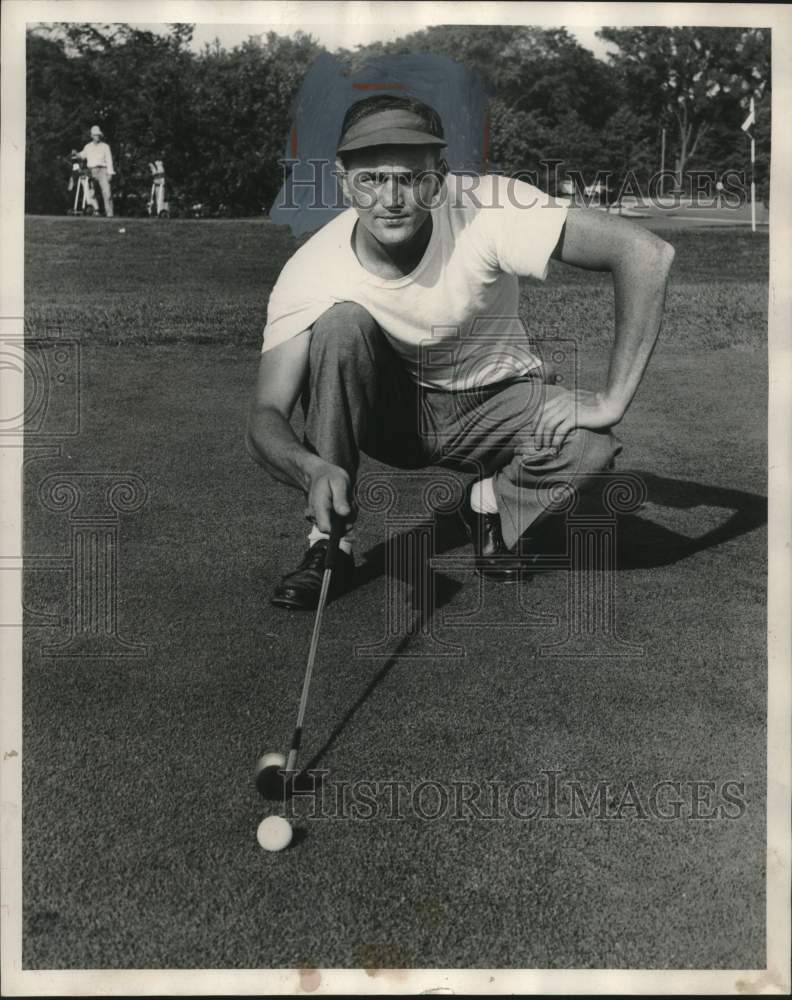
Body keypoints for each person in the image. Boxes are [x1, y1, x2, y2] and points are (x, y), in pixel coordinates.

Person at [247, 94, 675, 610]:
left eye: (412, 178)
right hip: (398, 418)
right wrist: (310, 469)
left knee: (591, 447)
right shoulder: (312, 270)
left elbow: (645, 254)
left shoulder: (488, 207)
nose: (392, 198)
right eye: (371, 179)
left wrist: (612, 398)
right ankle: (329, 543)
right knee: (342, 325)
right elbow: (267, 414)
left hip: (498, 403)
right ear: (342, 178)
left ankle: (488, 501)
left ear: (442, 175)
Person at [78, 125, 115, 217]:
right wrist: (76, 154)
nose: (96, 137)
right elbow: (82, 155)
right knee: (91, 192)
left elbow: (109, 160)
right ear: (91, 136)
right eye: (95, 135)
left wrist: (110, 173)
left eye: (98, 135)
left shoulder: (105, 146)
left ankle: (110, 214)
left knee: (107, 192)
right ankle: (96, 211)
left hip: (103, 170)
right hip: (91, 171)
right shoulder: (87, 147)